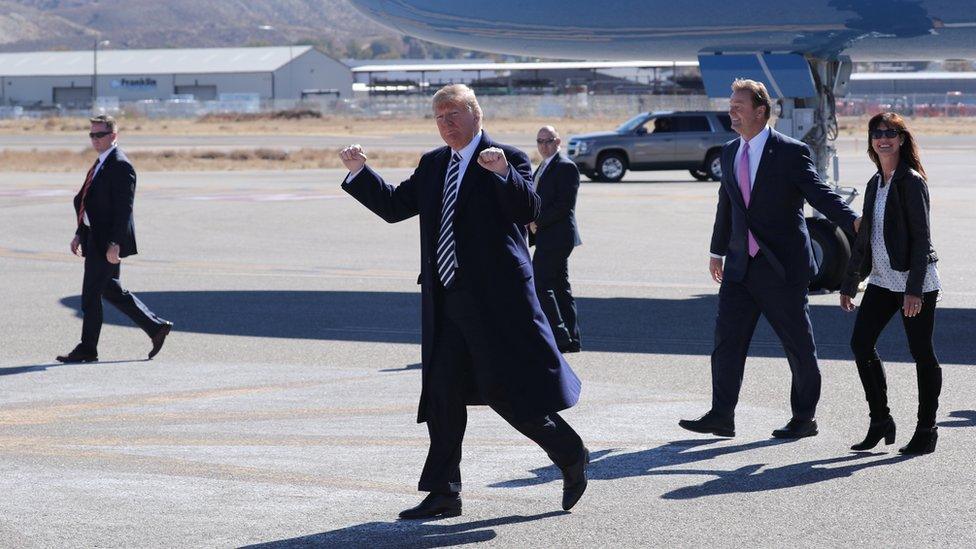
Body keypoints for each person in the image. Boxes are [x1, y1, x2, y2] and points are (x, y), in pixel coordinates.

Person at [338, 84, 588, 519]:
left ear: (477, 114)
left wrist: (502, 174)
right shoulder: (435, 163)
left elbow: (528, 208)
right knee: (442, 394)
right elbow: (397, 205)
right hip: (446, 299)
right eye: (438, 117)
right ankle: (444, 492)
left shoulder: (507, 157)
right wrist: (361, 171)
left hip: (497, 303)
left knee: (507, 394)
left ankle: (570, 453)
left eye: (453, 114)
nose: (446, 123)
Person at [679, 79, 860, 439]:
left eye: (738, 107)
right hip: (739, 267)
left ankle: (804, 418)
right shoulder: (730, 151)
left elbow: (818, 193)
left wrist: (853, 222)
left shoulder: (790, 152)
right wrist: (717, 251)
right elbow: (727, 206)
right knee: (726, 342)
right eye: (731, 105)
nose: (731, 112)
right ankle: (721, 415)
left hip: (781, 269)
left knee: (798, 347)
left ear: (760, 111)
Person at [840, 112, 942, 455]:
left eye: (889, 133)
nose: (883, 138)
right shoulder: (875, 183)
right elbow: (865, 239)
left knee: (921, 354)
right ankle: (880, 419)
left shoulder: (911, 181)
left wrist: (914, 290)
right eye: (877, 133)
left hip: (916, 283)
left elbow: (921, 238)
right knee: (860, 343)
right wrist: (850, 283)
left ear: (900, 139)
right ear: (872, 141)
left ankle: (927, 429)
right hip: (883, 281)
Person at [57, 115, 173, 364]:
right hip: (94, 237)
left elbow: (124, 209)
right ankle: (156, 327)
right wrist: (80, 232)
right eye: (92, 135)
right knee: (110, 289)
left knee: (90, 295)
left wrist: (115, 244)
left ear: (114, 136)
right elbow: (88, 201)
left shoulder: (120, 165)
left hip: (106, 242)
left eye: (100, 135)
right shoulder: (101, 163)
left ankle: (88, 348)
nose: (95, 139)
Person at [528, 125, 583, 353]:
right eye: (540, 141)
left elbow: (564, 206)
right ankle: (572, 339)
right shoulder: (543, 166)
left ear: (558, 142)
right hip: (547, 237)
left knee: (540, 284)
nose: (544, 145)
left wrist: (537, 222)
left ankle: (559, 337)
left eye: (548, 141)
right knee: (561, 287)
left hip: (557, 237)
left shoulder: (566, 167)